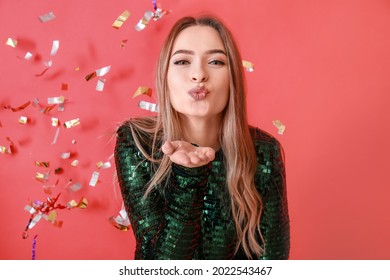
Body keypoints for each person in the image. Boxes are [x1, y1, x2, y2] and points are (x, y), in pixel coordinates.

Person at [114, 15, 290, 260]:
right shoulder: (137, 142)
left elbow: (273, 261)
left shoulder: (263, 151)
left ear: (234, 79)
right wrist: (188, 176)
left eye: (216, 61)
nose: (198, 75)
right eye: (183, 61)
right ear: (165, 76)